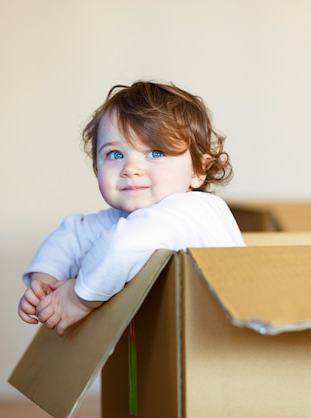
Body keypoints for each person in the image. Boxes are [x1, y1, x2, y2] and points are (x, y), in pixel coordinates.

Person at [18, 81, 245, 335]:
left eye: (156, 153)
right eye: (115, 155)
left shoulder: (195, 211)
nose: (130, 168)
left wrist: (77, 299)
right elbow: (73, 235)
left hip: (219, 346)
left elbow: (122, 247)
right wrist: (45, 281)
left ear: (198, 170)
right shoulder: (122, 220)